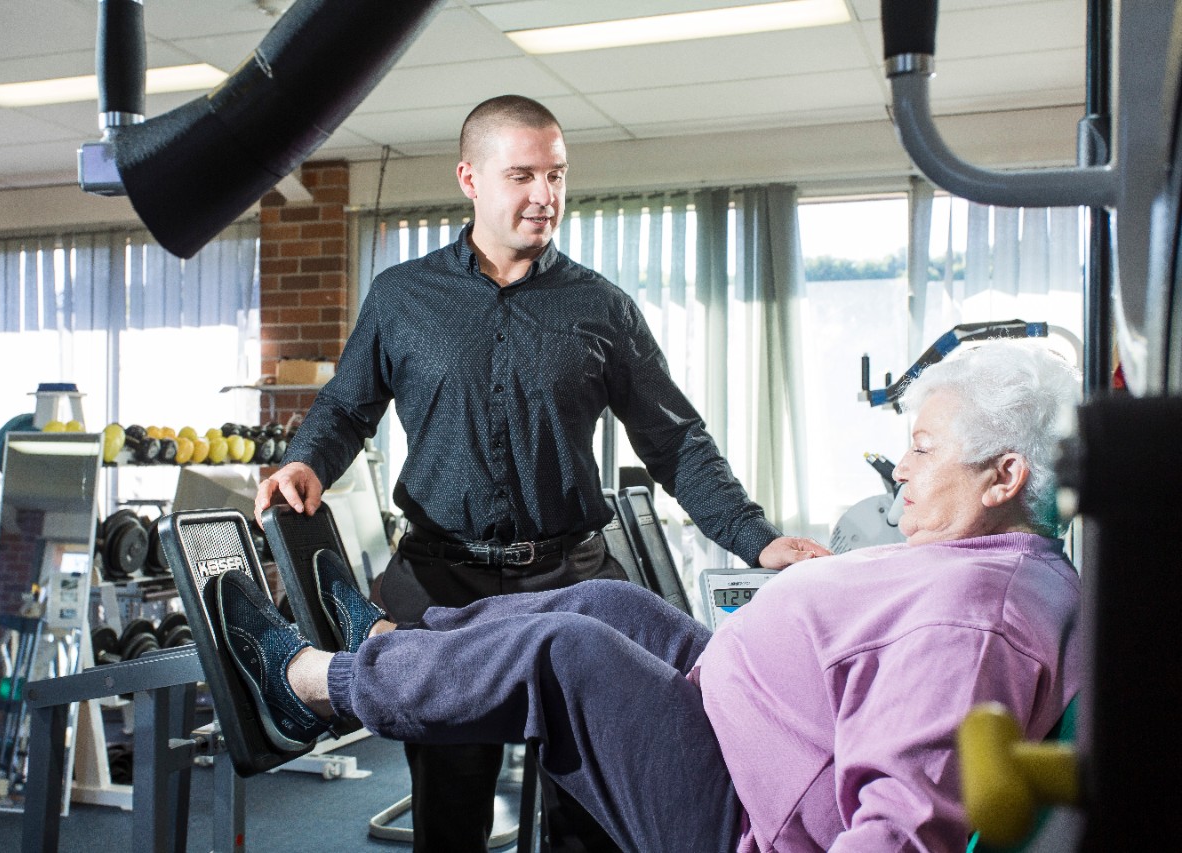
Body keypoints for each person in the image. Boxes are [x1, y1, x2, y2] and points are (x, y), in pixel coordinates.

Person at [229, 339, 1082, 852]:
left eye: (924, 449)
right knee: (607, 604)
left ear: (1006, 473)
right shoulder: (991, 558)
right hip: (759, 729)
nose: (901, 466)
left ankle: (308, 683)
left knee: (569, 654)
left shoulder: (981, 620)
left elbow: (906, 814)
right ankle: (380, 645)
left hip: (756, 813)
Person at [255, 94, 828, 851]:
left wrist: (755, 539)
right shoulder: (403, 296)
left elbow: (675, 440)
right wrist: (307, 460)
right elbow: (346, 406)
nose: (545, 195)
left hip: (571, 575)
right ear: (470, 177)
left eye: (556, 175)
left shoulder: (601, 308)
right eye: (522, 174)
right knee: (450, 810)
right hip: (440, 582)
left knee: (590, 819)